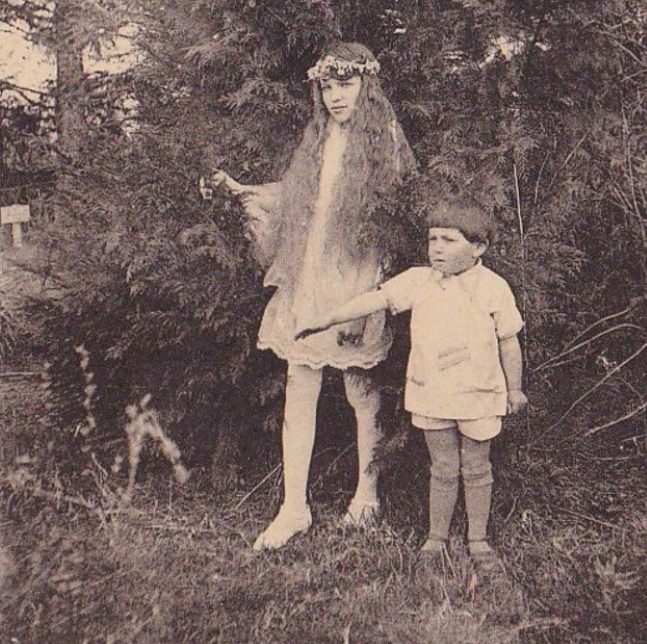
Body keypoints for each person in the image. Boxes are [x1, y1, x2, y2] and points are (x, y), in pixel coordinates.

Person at [213, 41, 416, 550]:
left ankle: (366, 496)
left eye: (345, 84)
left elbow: (391, 222)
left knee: (358, 387)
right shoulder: (318, 140)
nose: (335, 97)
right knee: (298, 384)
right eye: (327, 86)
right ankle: (293, 507)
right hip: (310, 275)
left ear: (366, 86)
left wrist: (370, 296)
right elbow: (295, 197)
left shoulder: (384, 141)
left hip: (354, 277)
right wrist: (243, 192)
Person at [296, 191, 527, 571]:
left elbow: (509, 342)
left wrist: (515, 389)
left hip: (479, 395)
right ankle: (435, 538)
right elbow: (374, 300)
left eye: (449, 240)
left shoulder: (494, 288)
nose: (437, 248)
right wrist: (326, 319)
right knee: (442, 467)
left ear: (478, 247)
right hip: (432, 391)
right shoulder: (419, 281)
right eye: (432, 238)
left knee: (477, 467)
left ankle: (478, 539)